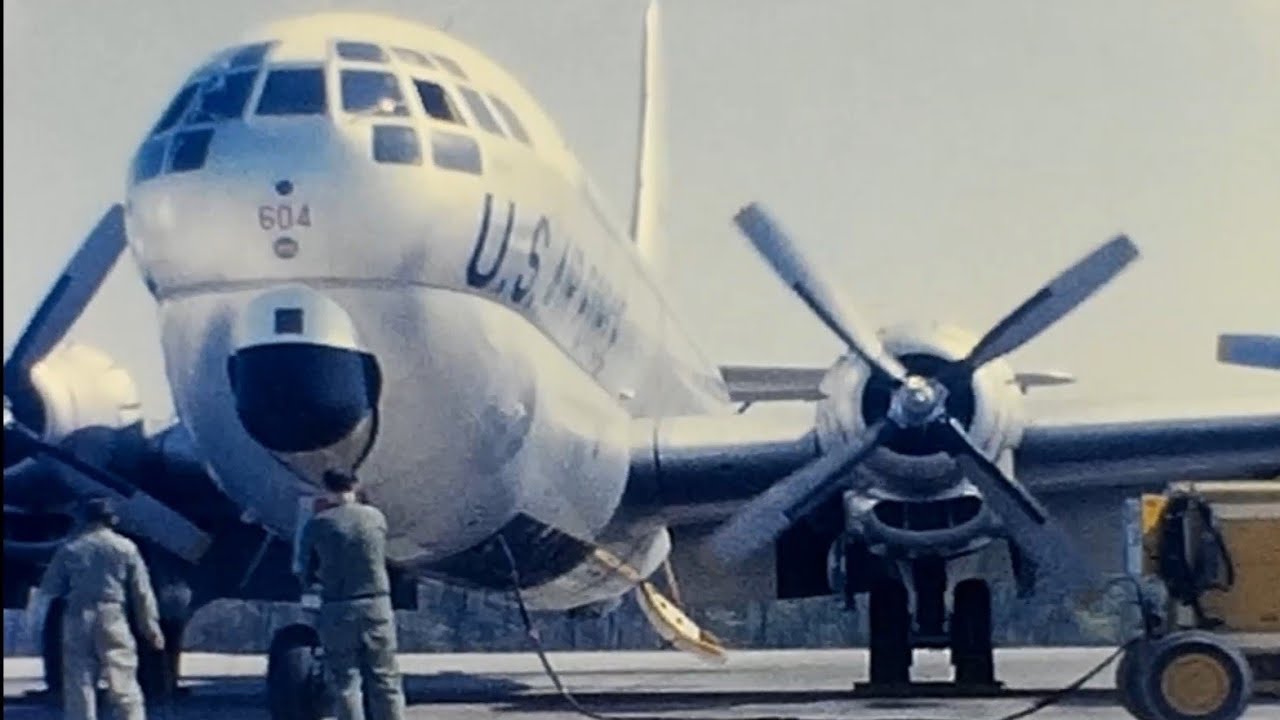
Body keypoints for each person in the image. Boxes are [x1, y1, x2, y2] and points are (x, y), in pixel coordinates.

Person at [35, 496, 165, 720]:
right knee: (122, 673)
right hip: (113, 614)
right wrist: (150, 627)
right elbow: (141, 592)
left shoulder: (71, 548)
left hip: (77, 615)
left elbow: (50, 587)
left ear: (84, 518)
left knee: (79, 678)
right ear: (112, 518)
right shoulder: (126, 548)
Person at [298, 469, 406, 720]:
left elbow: (305, 568)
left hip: (338, 606)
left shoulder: (319, 524)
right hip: (377, 604)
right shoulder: (375, 517)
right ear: (355, 486)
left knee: (345, 680)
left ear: (326, 488)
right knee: (385, 677)